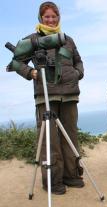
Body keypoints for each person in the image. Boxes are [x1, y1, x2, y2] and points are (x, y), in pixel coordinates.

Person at [15, 1, 84, 194]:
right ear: (41, 18)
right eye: (47, 17)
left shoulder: (68, 39)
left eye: (54, 16)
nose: (51, 20)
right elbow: (17, 62)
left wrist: (78, 73)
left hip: (70, 94)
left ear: (59, 17)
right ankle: (53, 182)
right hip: (45, 95)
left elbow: (78, 60)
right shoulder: (32, 40)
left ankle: (71, 175)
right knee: (49, 140)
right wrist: (31, 72)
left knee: (70, 136)